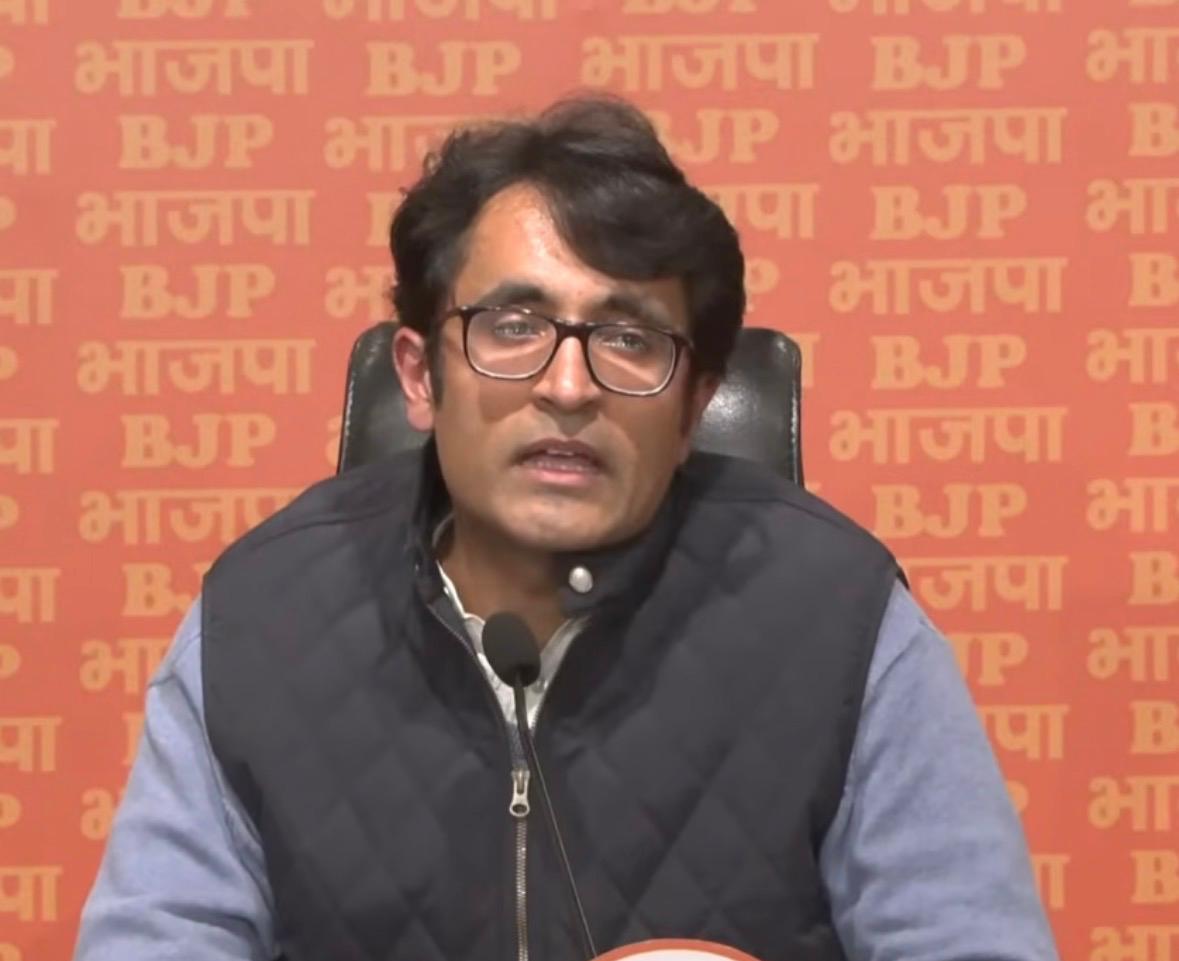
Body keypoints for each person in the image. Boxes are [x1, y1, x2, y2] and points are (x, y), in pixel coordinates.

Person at [74, 94, 1059, 961]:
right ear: (419, 375)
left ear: (697, 402)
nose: (568, 384)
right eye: (514, 325)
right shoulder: (263, 619)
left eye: (628, 337)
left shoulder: (839, 620)